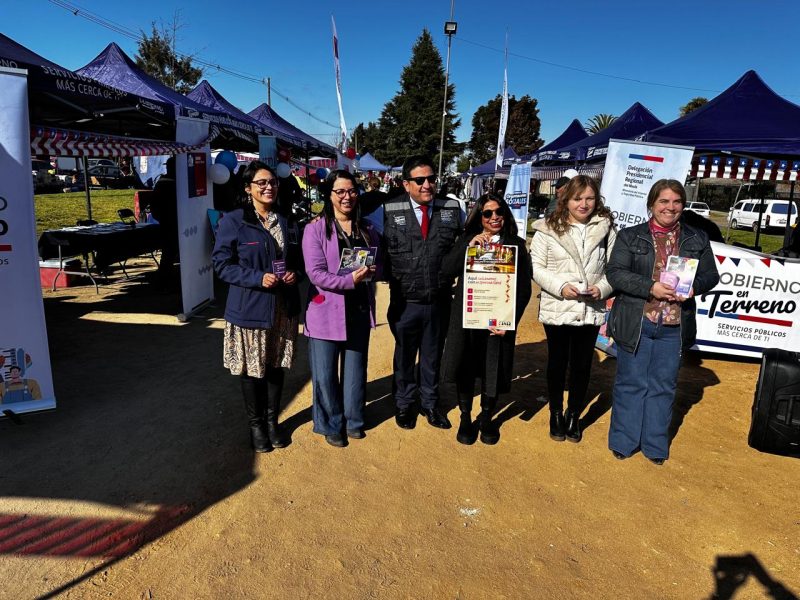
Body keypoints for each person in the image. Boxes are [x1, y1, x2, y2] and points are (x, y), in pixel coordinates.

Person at [606, 179, 719, 465]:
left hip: (675, 325)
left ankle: (655, 445)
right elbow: (615, 273)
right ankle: (624, 440)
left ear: (683, 204)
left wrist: (695, 286)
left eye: (676, 201)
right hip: (638, 320)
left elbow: (711, 275)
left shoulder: (697, 238)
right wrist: (650, 287)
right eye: (664, 202)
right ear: (652, 204)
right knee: (631, 383)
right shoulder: (630, 237)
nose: (670, 207)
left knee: (664, 385)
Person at [212, 161, 302, 453]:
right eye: (261, 183)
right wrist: (256, 277)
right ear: (248, 188)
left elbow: (298, 261)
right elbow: (221, 265)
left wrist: (294, 274)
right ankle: (257, 426)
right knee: (253, 371)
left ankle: (273, 422)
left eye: (272, 182)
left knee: (276, 367)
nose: (268, 187)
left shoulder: (287, 220)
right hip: (250, 308)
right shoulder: (234, 221)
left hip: (282, 307)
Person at [530, 175, 616, 443]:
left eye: (590, 198)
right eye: (578, 198)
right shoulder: (547, 229)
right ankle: (556, 413)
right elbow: (536, 267)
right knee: (557, 362)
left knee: (581, 365)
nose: (584, 204)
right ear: (565, 199)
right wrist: (560, 286)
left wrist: (601, 289)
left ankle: (574, 414)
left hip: (590, 307)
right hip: (559, 305)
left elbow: (614, 269)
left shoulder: (606, 229)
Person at [441, 194, 532, 444]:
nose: (494, 217)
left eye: (499, 211)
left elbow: (524, 289)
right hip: (469, 316)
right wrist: (469, 244)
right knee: (466, 367)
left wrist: (509, 321)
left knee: (493, 369)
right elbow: (447, 269)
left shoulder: (516, 245)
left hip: (497, 321)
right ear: (479, 217)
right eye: (487, 213)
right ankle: (465, 416)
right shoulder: (468, 240)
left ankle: (487, 417)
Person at [383, 155, 464, 430]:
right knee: (405, 355)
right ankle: (404, 404)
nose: (427, 185)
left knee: (432, 356)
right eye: (420, 180)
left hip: (439, 299)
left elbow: (467, 242)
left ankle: (430, 404)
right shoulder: (387, 210)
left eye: (431, 179)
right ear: (407, 184)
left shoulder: (453, 208)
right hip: (406, 301)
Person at [302, 170, 381, 447]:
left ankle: (354, 420)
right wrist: (349, 280)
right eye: (340, 192)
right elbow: (315, 273)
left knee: (355, 372)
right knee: (325, 374)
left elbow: (379, 265)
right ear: (330, 195)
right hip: (325, 311)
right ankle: (330, 423)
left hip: (358, 308)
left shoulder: (368, 229)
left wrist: (373, 270)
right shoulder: (315, 228)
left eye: (351, 191)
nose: (347, 197)